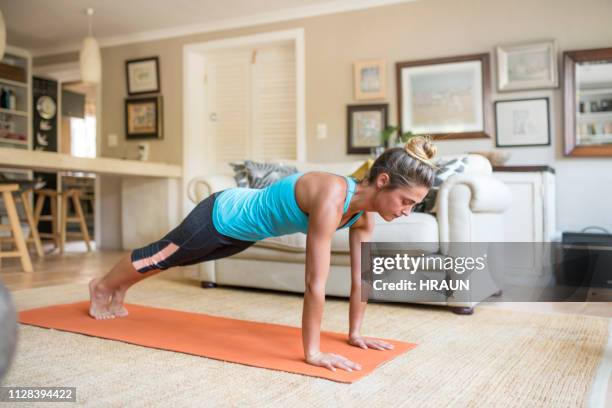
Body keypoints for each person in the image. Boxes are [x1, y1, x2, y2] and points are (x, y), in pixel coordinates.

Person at [88, 135, 437, 372]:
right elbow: (315, 283)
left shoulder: (364, 217)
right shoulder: (332, 195)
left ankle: (121, 288)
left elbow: (363, 277)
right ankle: (102, 287)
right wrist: (312, 353)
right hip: (221, 214)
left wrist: (355, 333)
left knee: (175, 259)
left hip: (245, 235)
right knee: (163, 254)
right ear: (382, 181)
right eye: (406, 201)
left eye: (414, 205)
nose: (407, 210)